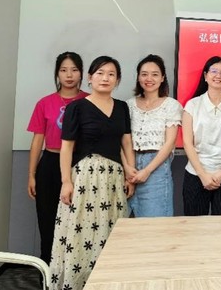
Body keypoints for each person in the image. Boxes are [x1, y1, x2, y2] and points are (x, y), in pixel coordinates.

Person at [49, 56, 136, 290]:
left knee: (111, 231)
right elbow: (66, 147)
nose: (105, 78)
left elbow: (126, 143)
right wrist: (66, 181)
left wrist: (130, 175)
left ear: (117, 80)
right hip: (85, 178)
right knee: (82, 232)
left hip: (114, 179)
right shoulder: (77, 107)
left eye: (111, 74)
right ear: (89, 78)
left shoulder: (122, 107)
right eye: (100, 73)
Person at [27, 52, 88, 264]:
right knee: (48, 221)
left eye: (74, 70)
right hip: (50, 164)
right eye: (63, 70)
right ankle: (47, 271)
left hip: (79, 164)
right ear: (57, 73)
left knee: (77, 221)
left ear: (82, 73)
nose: (69, 75)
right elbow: (37, 141)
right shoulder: (45, 103)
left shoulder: (90, 101)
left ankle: (74, 271)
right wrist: (32, 174)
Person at [182, 56, 221, 216]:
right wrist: (203, 175)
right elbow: (187, 143)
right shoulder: (192, 105)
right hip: (196, 174)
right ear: (205, 75)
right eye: (214, 71)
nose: (218, 75)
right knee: (194, 225)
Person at [126, 54, 183, 217]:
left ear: (162, 78)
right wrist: (127, 169)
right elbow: (124, 141)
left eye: (155, 74)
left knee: (155, 223)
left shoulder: (171, 105)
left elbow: (169, 143)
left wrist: (147, 170)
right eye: (144, 74)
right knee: (122, 223)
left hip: (156, 169)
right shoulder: (128, 105)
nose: (149, 79)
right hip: (129, 166)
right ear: (138, 77)